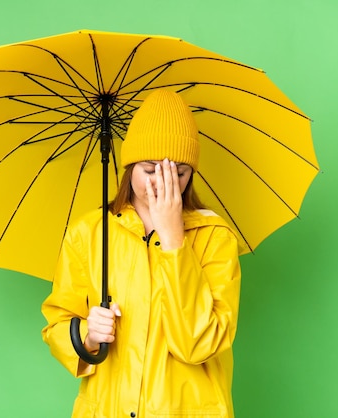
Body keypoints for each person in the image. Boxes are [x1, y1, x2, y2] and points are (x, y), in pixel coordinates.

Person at [41, 89, 241, 418]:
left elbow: (198, 344)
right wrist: (89, 337)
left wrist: (173, 237)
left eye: (178, 173)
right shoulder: (89, 232)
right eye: (150, 170)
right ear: (129, 165)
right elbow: (57, 325)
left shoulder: (215, 237)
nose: (162, 186)